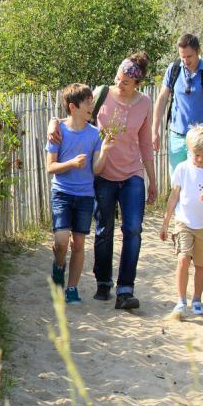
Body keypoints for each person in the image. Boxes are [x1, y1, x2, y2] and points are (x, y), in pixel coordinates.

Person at [48, 53, 157, 311]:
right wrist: (54, 121)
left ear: (137, 84)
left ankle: (125, 289)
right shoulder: (101, 93)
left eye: (126, 82)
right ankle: (104, 282)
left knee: (133, 229)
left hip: (132, 173)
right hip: (102, 174)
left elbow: (145, 144)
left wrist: (152, 180)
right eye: (118, 78)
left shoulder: (145, 103)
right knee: (103, 230)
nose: (120, 84)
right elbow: (74, 113)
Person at [46, 84, 114, 305]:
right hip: (62, 193)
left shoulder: (94, 134)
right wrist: (72, 163)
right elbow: (50, 167)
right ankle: (58, 266)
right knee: (61, 240)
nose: (91, 107)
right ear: (73, 107)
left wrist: (104, 150)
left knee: (78, 243)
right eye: (87, 103)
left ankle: (72, 288)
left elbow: (96, 169)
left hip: (85, 195)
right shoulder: (58, 132)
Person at [160, 124, 203, 318]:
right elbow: (174, 197)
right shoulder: (182, 168)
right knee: (182, 259)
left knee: (201, 265)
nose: (200, 159)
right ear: (189, 150)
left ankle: (197, 299)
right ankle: (181, 301)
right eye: (196, 154)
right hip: (184, 222)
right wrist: (165, 223)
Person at [152, 34, 203, 174]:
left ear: (198, 51)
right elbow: (162, 99)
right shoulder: (173, 69)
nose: (185, 60)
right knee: (176, 184)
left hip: (200, 140)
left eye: (189, 56)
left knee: (197, 181)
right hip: (176, 137)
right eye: (182, 56)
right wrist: (154, 131)